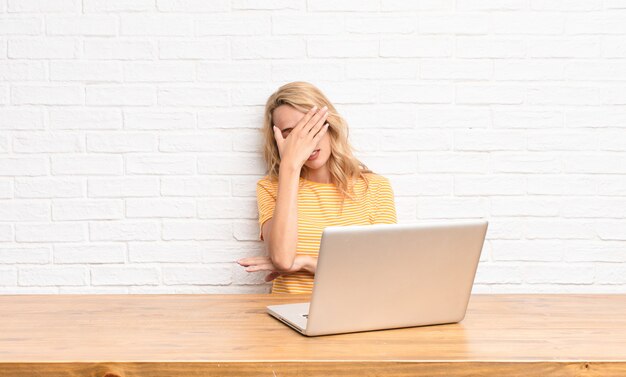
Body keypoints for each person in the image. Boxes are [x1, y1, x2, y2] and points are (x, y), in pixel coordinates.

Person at [237, 81, 397, 293]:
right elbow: (283, 259)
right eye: (290, 133)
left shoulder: (375, 188)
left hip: (357, 310)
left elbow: (382, 269)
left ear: (329, 125)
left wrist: (306, 263)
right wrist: (290, 168)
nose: (306, 141)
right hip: (288, 314)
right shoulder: (270, 187)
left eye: (310, 127)